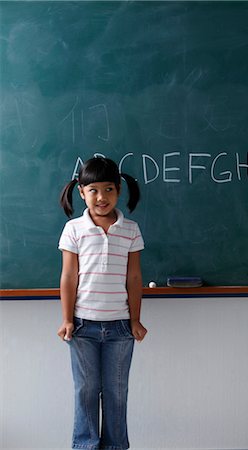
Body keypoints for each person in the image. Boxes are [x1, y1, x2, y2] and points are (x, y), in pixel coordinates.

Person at [57, 157, 147, 450]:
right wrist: (67, 319)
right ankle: (85, 446)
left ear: (119, 191)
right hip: (83, 326)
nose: (101, 197)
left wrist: (135, 319)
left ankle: (116, 447)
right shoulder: (74, 229)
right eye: (93, 190)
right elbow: (69, 276)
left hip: (120, 328)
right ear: (81, 192)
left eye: (108, 189)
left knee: (117, 392)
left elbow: (134, 278)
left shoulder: (130, 229)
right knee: (86, 390)